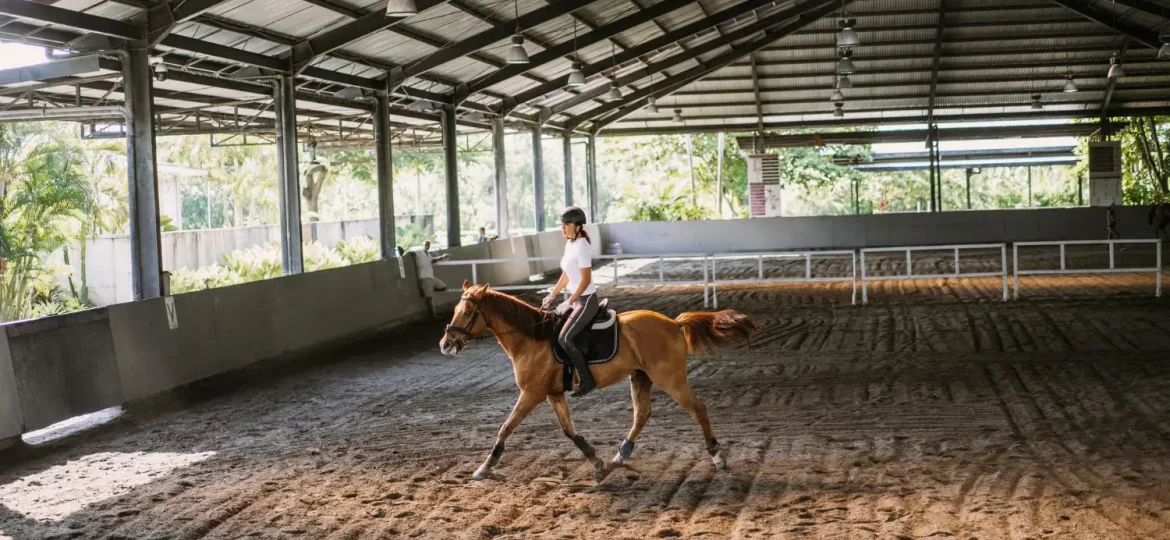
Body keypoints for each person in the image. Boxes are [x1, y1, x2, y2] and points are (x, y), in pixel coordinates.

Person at [542, 206, 598, 398]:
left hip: (586, 300)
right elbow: (567, 274)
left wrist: (569, 301)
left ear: (578, 225)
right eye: (562, 225)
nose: (563, 228)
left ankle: (587, 380)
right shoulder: (570, 244)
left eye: (566, 224)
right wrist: (553, 294)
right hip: (576, 300)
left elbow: (585, 280)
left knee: (564, 338)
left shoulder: (582, 246)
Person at [411, 240, 450, 319]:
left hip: (431, 277)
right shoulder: (418, 252)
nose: (427, 246)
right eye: (426, 245)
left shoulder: (428, 254)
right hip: (424, 278)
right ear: (423, 245)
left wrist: (442, 257)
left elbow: (433, 260)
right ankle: (433, 314)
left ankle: (427, 291)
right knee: (429, 298)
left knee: (443, 287)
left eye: (428, 245)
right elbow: (410, 253)